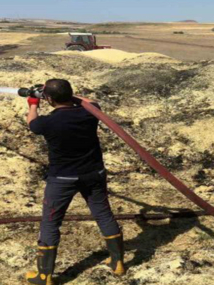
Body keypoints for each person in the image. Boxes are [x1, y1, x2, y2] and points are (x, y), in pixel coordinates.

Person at [25, 79, 125, 285]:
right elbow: (89, 102)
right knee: (103, 214)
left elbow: (31, 123)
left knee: (51, 222)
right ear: (71, 95)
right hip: (93, 174)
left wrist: (34, 102)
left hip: (62, 179)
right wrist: (63, 95)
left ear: (49, 99)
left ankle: (44, 276)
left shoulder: (47, 122)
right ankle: (118, 263)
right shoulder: (90, 112)